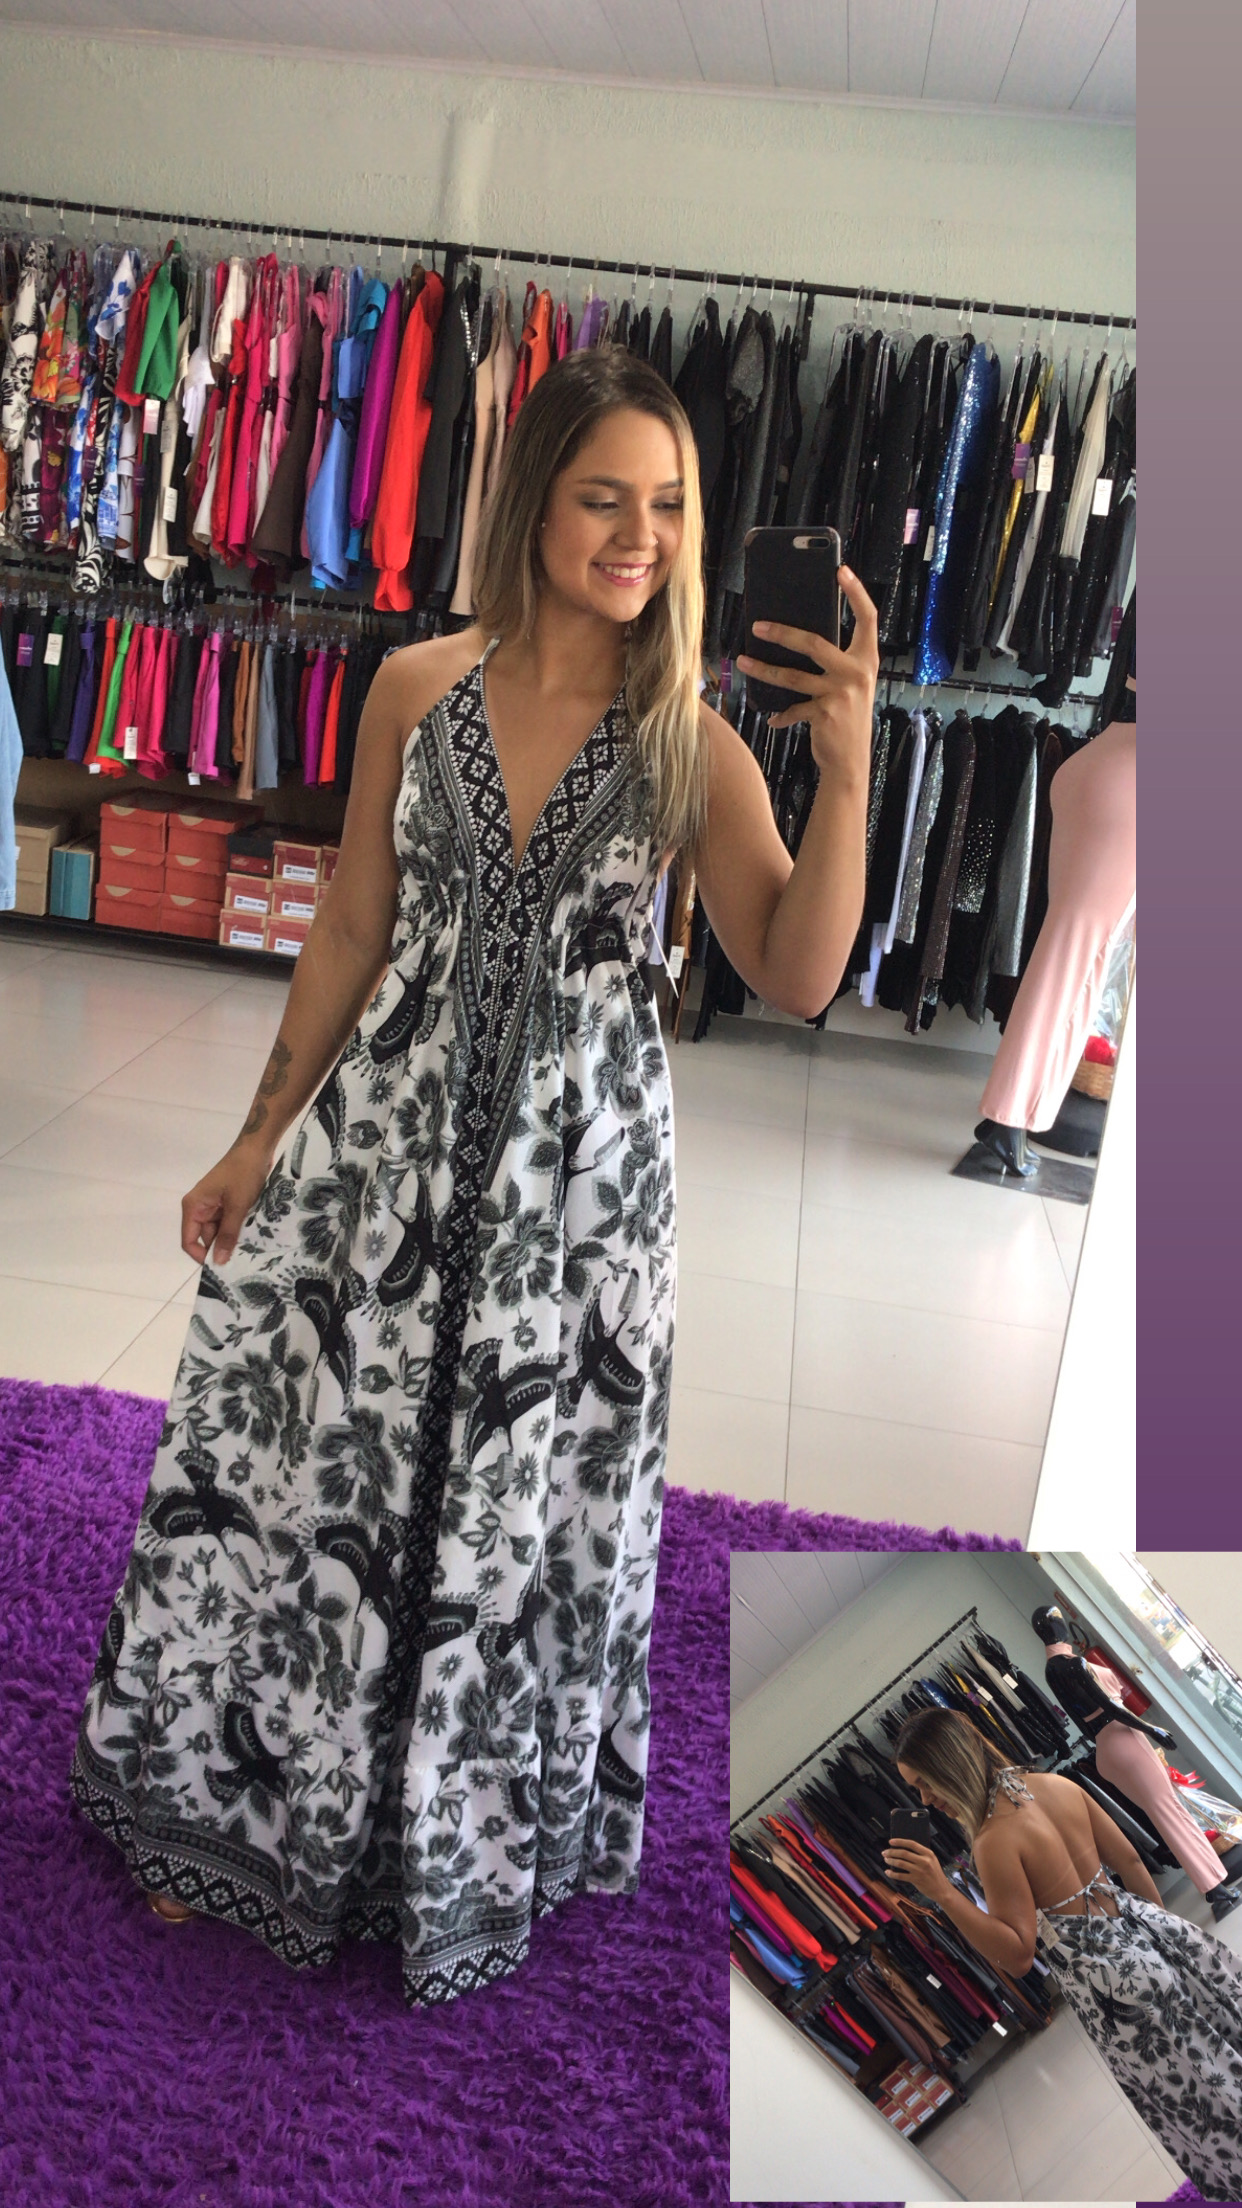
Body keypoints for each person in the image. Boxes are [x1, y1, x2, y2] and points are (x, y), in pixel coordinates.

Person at [69, 347, 879, 2008]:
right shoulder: (412, 687)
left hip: (577, 1203)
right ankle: (240, 1796)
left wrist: (852, 766)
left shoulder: (692, 744)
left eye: (668, 505)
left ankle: (449, 1839)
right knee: (316, 1468)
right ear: (530, 504)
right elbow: (351, 926)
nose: (639, 536)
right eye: (604, 498)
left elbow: (795, 971)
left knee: (518, 1508)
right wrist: (257, 1133)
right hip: (385, 1151)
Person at [884, 1706, 1242, 2202]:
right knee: (1224, 2045)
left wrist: (943, 1893)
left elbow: (1017, 1957)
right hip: (1156, 1934)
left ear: (951, 1763)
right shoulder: (1056, 1785)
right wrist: (1157, 1944)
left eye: (925, 1782)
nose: (925, 1799)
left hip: (1111, 1986)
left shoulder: (993, 1840)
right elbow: (1131, 1861)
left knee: (1198, 2096)